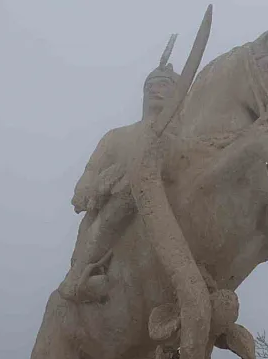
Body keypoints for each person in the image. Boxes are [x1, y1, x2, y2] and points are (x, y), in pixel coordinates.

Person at [58, 35, 181, 303]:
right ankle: (79, 274)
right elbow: (90, 174)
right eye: (150, 85)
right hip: (121, 207)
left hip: (170, 209)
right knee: (127, 187)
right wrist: (90, 189)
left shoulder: (185, 136)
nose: (155, 89)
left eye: (164, 84)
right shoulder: (116, 136)